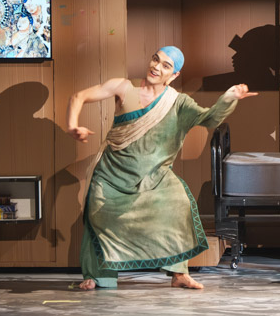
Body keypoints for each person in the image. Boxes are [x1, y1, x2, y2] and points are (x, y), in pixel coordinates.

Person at [67, 46, 257, 290]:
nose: (156, 67)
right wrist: (73, 125)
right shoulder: (123, 87)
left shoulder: (178, 103)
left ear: (174, 75)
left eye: (166, 65)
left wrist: (228, 98)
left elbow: (209, 118)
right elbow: (78, 97)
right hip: (111, 174)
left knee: (178, 204)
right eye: (155, 59)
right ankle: (96, 276)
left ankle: (179, 274)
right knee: (98, 215)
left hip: (154, 176)